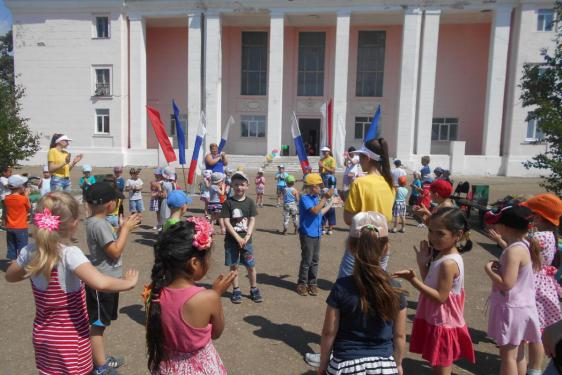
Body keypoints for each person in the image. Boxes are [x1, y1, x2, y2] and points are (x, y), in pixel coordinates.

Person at [6, 192, 139, 375]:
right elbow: (99, 282)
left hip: (43, 336)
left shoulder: (29, 251)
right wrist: (128, 283)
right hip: (71, 339)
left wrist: (32, 264)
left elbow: (10, 276)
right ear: (74, 224)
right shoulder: (69, 253)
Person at [318, 212, 407, 375]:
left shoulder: (341, 287)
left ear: (350, 247)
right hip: (384, 366)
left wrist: (323, 365)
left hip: (345, 365)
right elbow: (400, 335)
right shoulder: (395, 288)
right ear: (386, 248)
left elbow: (329, 332)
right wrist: (398, 364)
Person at [145, 219, 235, 374]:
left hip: (166, 367)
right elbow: (216, 333)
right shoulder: (207, 298)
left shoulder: (154, 291)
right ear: (194, 263)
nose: (209, 262)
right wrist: (216, 295)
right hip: (199, 367)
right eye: (207, 258)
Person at [394, 207, 475, 374]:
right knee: (439, 363)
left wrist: (412, 280)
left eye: (440, 233)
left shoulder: (448, 263)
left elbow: (440, 297)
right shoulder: (442, 254)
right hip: (438, 317)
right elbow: (431, 285)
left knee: (441, 366)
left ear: (458, 235)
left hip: (443, 321)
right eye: (430, 231)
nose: (433, 237)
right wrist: (423, 264)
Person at [488, 194, 562, 375]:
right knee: (526, 342)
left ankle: (535, 369)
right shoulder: (546, 236)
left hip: (524, 293)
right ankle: (533, 369)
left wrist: (489, 269)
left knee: (524, 344)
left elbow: (508, 282)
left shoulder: (531, 240)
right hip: (530, 290)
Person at [84, 182, 142, 375]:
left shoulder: (96, 222)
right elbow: (114, 252)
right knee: (98, 326)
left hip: (107, 280)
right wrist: (125, 229)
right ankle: (100, 367)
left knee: (101, 324)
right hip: (102, 283)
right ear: (109, 204)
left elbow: (108, 244)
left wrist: (121, 230)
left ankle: (100, 357)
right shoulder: (99, 224)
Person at [483, 205, 542, 375]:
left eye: (497, 223)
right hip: (522, 307)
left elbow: (506, 284)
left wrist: (488, 270)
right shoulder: (523, 245)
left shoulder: (513, 251)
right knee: (518, 354)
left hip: (511, 309)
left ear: (506, 226)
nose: (495, 226)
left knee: (508, 355)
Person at [339, 138, 395, 276]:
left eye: (361, 157)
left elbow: (348, 218)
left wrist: (347, 200)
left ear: (368, 158)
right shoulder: (390, 185)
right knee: (375, 284)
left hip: (359, 243)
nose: (359, 160)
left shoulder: (360, 183)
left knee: (345, 285)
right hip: (382, 243)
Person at [220, 171, 263, 304]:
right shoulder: (228, 202)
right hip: (232, 241)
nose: (239, 187)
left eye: (242, 184)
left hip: (247, 242)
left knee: (250, 266)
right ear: (231, 185)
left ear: (247, 186)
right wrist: (238, 238)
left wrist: (247, 236)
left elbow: (252, 220)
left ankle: (254, 288)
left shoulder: (250, 202)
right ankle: (236, 289)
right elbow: (226, 222)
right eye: (236, 184)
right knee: (234, 266)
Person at [297, 173, 334, 296]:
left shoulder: (315, 198)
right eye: (319, 185)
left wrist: (330, 203)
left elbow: (319, 213)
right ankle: (302, 284)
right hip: (307, 233)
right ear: (313, 186)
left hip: (317, 233)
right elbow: (314, 211)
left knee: (315, 260)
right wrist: (324, 198)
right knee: (307, 260)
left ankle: (312, 283)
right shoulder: (305, 198)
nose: (320, 187)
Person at [3, 175, 31, 260]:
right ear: (20, 187)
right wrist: (26, 195)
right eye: (24, 185)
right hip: (21, 227)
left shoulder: (6, 198)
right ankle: (21, 268)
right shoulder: (23, 199)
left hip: (10, 227)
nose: (25, 187)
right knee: (23, 248)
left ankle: (12, 265)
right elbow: (29, 208)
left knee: (12, 247)